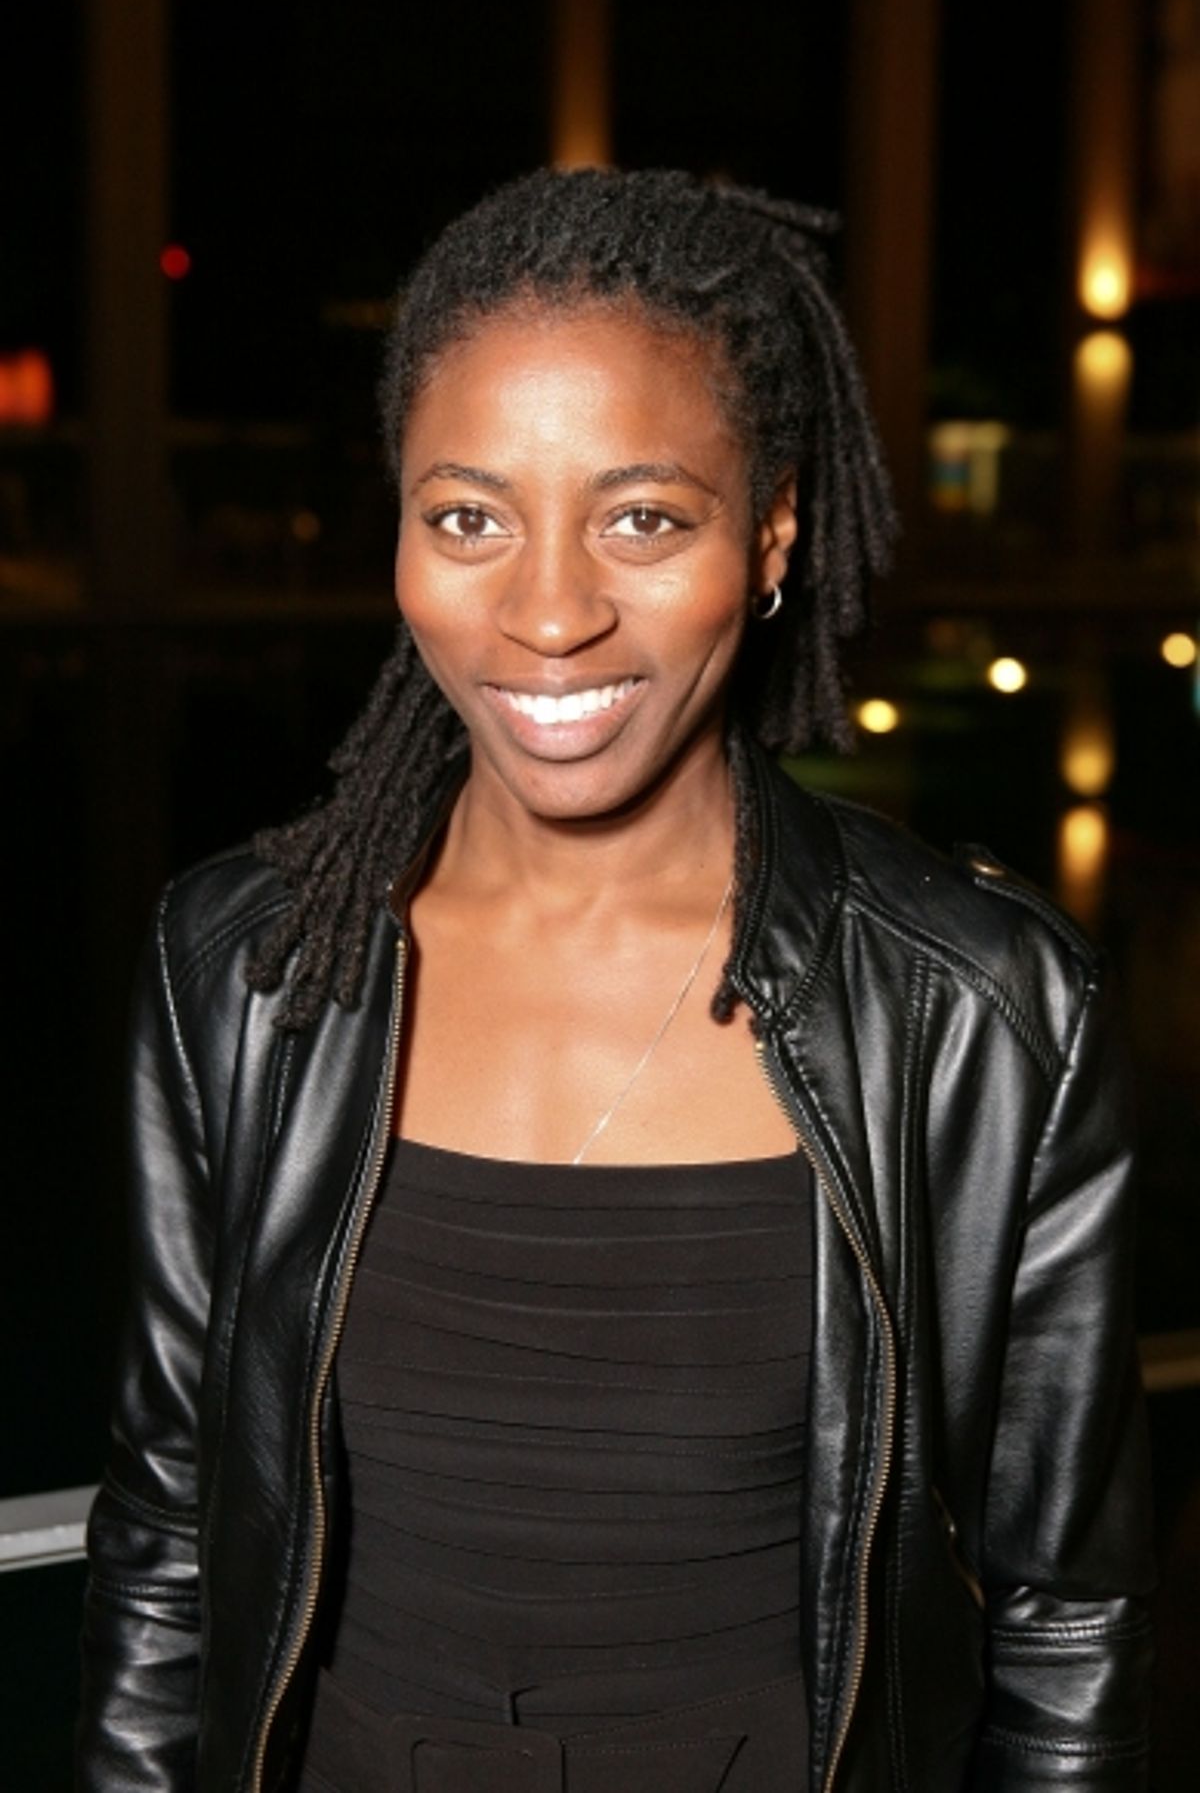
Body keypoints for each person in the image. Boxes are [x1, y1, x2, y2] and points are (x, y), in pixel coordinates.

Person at [77, 168, 1154, 1793]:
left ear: (773, 529)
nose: (552, 611)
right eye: (469, 517)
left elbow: (1065, 1629)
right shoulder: (241, 968)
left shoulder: (986, 1016)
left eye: (644, 516)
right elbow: (169, 1530)